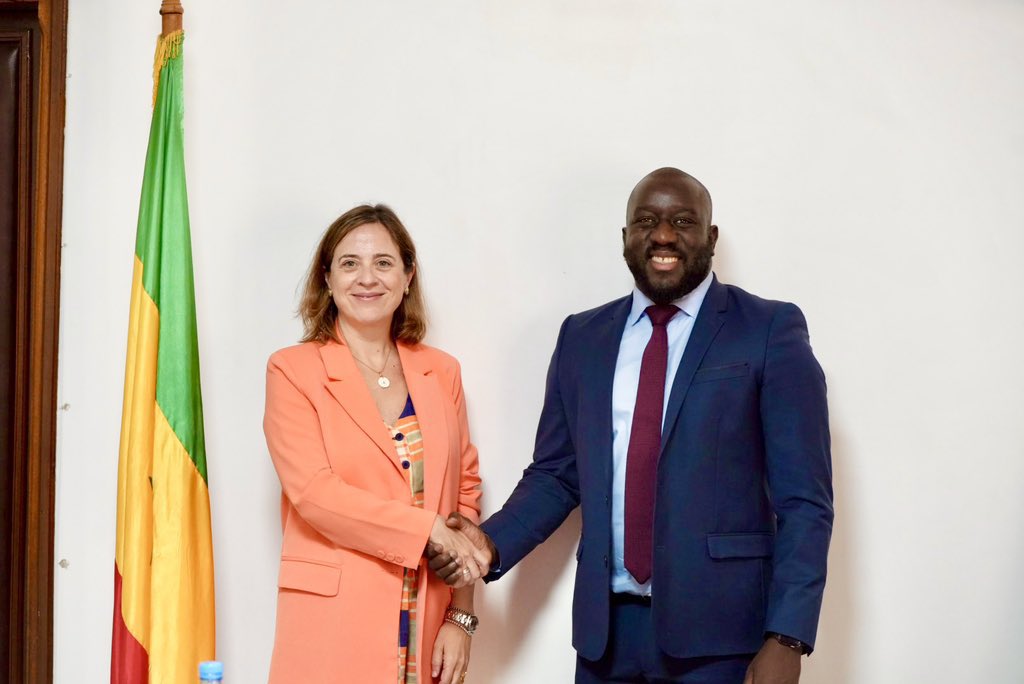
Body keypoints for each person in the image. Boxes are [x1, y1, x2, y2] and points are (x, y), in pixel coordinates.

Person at [429, 168, 834, 683]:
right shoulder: (582, 337)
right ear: (626, 237)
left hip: (724, 639)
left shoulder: (768, 330)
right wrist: (490, 543)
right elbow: (557, 474)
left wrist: (788, 636)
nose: (663, 235)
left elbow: (805, 501)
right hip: (607, 640)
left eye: (682, 221)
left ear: (710, 237)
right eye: (646, 221)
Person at [264, 204, 489, 684]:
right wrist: (427, 529)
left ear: (407, 277)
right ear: (327, 278)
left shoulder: (441, 371)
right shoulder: (292, 370)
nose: (367, 277)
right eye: (350, 263)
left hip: (427, 618)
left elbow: (464, 497)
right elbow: (314, 494)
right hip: (332, 622)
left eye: (383, 263)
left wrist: (461, 616)